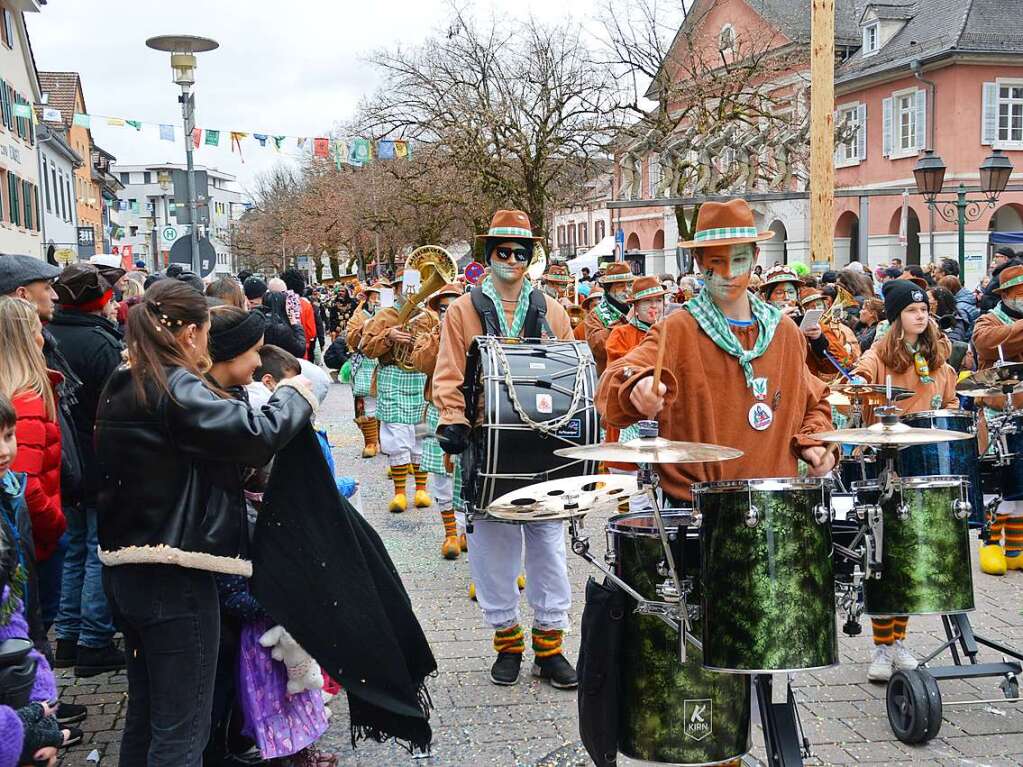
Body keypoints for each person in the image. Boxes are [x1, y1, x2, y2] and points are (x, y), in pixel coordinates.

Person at [94, 280, 315, 766]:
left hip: (126, 571)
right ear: (192, 332)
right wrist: (295, 395)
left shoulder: (125, 380)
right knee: (182, 731)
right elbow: (257, 436)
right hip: (173, 578)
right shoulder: (175, 385)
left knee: (148, 718)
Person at [596, 196, 835, 506]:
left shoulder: (785, 332)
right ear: (699, 263)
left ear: (755, 257)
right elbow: (614, 378)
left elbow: (814, 401)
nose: (729, 273)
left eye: (738, 260)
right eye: (716, 262)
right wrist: (635, 387)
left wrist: (813, 441)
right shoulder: (678, 328)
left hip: (776, 508)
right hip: (699, 513)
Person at [432, 209, 578, 689]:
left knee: (548, 547)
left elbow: (571, 372)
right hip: (487, 443)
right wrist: (452, 420)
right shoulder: (462, 311)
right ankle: (508, 644)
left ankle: (551, 648)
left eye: (521, 252)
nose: (512, 259)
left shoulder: (553, 310)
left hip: (544, 445)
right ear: (487, 256)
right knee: (492, 551)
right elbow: (449, 372)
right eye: (503, 251)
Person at [203, 306, 333, 767]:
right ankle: (232, 744)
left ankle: (235, 743)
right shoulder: (211, 404)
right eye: (254, 353)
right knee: (225, 679)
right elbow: (256, 446)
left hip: (234, 551)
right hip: (223, 559)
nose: (259, 364)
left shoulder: (229, 395)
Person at [851, 280, 956, 682]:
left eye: (924, 309)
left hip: (924, 461)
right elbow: (860, 376)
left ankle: (899, 641)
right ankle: (881, 647)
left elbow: (947, 403)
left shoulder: (937, 356)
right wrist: (860, 385)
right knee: (884, 558)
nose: (921, 315)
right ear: (896, 317)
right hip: (887, 460)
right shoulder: (879, 354)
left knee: (910, 557)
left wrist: (951, 408)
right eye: (912, 311)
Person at [46, 264, 126, 678]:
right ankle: (93, 641)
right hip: (96, 457)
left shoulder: (49, 334)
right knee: (97, 550)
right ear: (101, 302)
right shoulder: (100, 343)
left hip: (65, 456)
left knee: (76, 547)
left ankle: (69, 639)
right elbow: (118, 402)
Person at [0, 297, 65, 629]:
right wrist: (55, 526)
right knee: (33, 624)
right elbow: (24, 481)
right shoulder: (26, 398)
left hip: (29, 536)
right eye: (38, 329)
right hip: (35, 539)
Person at [360, 270, 433, 513]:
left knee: (422, 435)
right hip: (393, 377)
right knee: (397, 435)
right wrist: (388, 336)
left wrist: (423, 344)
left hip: (420, 380)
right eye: (405, 287)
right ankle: (400, 493)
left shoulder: (429, 317)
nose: (411, 293)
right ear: (398, 289)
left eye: (416, 287)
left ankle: (421, 489)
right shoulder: (386, 315)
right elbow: (366, 348)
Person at [971, 264, 1023, 577]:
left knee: (1021, 486)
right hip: (996, 414)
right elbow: (990, 343)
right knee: (997, 484)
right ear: (1005, 294)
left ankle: (1016, 547)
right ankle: (990, 543)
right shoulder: (988, 320)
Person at [410, 283, 466, 559]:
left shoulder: (475, 330)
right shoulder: (431, 333)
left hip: (468, 413)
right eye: (444, 308)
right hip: (437, 409)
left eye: (455, 306)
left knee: (469, 476)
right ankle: (450, 534)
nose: (449, 312)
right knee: (442, 477)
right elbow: (421, 363)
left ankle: (469, 531)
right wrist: (440, 335)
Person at [346, 283, 384, 458]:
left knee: (387, 400)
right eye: (374, 295)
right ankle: (370, 441)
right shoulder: (358, 315)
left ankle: (385, 440)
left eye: (381, 294)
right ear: (368, 297)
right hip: (365, 360)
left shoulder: (392, 313)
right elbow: (350, 338)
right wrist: (364, 327)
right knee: (367, 400)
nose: (377, 298)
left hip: (386, 359)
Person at [583, 262, 634, 374]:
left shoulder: (636, 308)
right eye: (621, 285)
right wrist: (623, 322)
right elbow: (597, 347)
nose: (626, 289)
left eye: (629, 284)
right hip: (610, 377)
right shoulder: (595, 315)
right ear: (609, 288)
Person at [252, 290, 306, 359]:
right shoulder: (281, 330)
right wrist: (295, 324)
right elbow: (300, 350)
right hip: (282, 365)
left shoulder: (257, 323)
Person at [280, 269, 317, 360]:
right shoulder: (305, 304)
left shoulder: (278, 302)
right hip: (301, 352)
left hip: (280, 353)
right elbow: (311, 332)